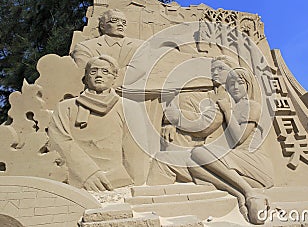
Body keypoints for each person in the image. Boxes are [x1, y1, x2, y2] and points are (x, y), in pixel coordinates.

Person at [189, 67, 274, 225]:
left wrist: (227, 111)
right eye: (231, 83)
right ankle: (242, 194)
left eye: (240, 83)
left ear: (248, 85)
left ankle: (249, 192)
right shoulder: (230, 107)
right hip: (236, 168)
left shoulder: (252, 106)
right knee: (192, 164)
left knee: (199, 153)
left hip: (255, 163)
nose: (235, 87)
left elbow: (239, 138)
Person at [48, 55, 143, 191]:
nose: (99, 75)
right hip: (81, 180)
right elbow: (59, 140)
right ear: (86, 77)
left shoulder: (129, 107)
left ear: (114, 78)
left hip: (118, 181)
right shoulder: (65, 107)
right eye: (93, 71)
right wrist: (87, 173)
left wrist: (122, 178)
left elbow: (135, 150)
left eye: (105, 71)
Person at [146, 55, 240, 185]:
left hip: (211, 153)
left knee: (162, 160)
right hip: (193, 144)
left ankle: (158, 196)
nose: (215, 73)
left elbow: (206, 125)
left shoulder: (228, 95)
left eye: (220, 68)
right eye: (213, 70)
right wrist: (171, 123)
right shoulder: (209, 93)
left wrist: (175, 118)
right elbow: (183, 104)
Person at [70, 9, 145, 86]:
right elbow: (86, 71)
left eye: (124, 22)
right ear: (102, 26)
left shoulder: (140, 46)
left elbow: (140, 69)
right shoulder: (85, 47)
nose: (120, 24)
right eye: (114, 20)